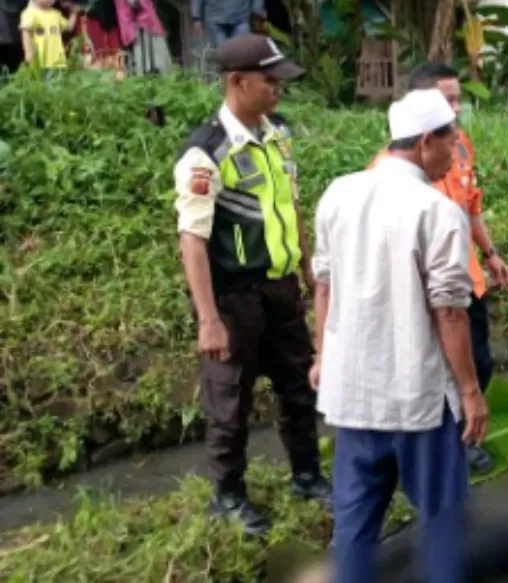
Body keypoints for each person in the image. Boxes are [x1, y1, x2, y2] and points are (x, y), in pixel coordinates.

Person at [309, 88, 489, 583]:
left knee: (355, 528)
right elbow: (450, 313)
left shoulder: (338, 193)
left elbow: (323, 285)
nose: (455, 156)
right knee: (443, 524)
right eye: (451, 145)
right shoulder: (436, 212)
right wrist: (471, 393)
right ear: (428, 141)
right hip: (419, 401)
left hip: (355, 396)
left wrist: (324, 356)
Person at [172, 34, 330, 536]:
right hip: (234, 297)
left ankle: (306, 475)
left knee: (299, 385)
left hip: (281, 289)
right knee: (229, 401)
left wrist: (307, 268)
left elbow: (290, 207)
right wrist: (209, 320)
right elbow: (192, 240)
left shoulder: (278, 134)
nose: (278, 91)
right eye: (270, 81)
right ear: (238, 82)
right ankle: (228, 496)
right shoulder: (206, 153)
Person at [378, 61, 508, 474]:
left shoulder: (459, 144)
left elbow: (471, 208)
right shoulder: (391, 167)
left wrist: (491, 254)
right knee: (439, 371)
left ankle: (463, 432)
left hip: (465, 276)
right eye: (447, 99)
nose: (456, 109)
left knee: (480, 361)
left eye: (458, 98)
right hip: (426, 286)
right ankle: (447, 446)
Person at [19, 0, 78, 72]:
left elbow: (69, 27)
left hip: (57, 59)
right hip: (39, 59)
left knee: (58, 81)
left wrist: (73, 13)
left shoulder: (56, 14)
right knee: (40, 81)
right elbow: (26, 34)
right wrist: (29, 53)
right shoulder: (29, 13)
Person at [192, 0, 265, 48]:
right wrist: (196, 18)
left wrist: (257, 11)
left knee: (241, 52)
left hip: (241, 18)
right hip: (215, 20)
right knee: (223, 55)